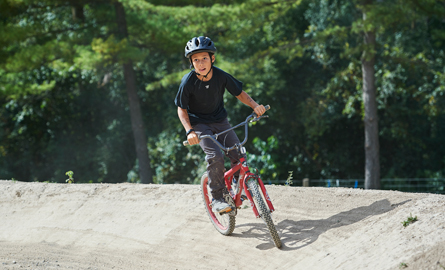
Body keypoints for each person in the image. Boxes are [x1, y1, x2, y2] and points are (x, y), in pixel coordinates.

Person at [175, 36, 266, 214]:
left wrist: (255, 106)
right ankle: (217, 197)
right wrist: (189, 131)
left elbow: (239, 93)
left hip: (220, 121)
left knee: (238, 152)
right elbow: (181, 109)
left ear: (212, 59)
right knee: (215, 156)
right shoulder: (188, 82)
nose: (200, 63)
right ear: (191, 62)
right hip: (199, 124)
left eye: (204, 58)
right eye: (195, 60)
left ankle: (236, 185)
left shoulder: (220, 76)